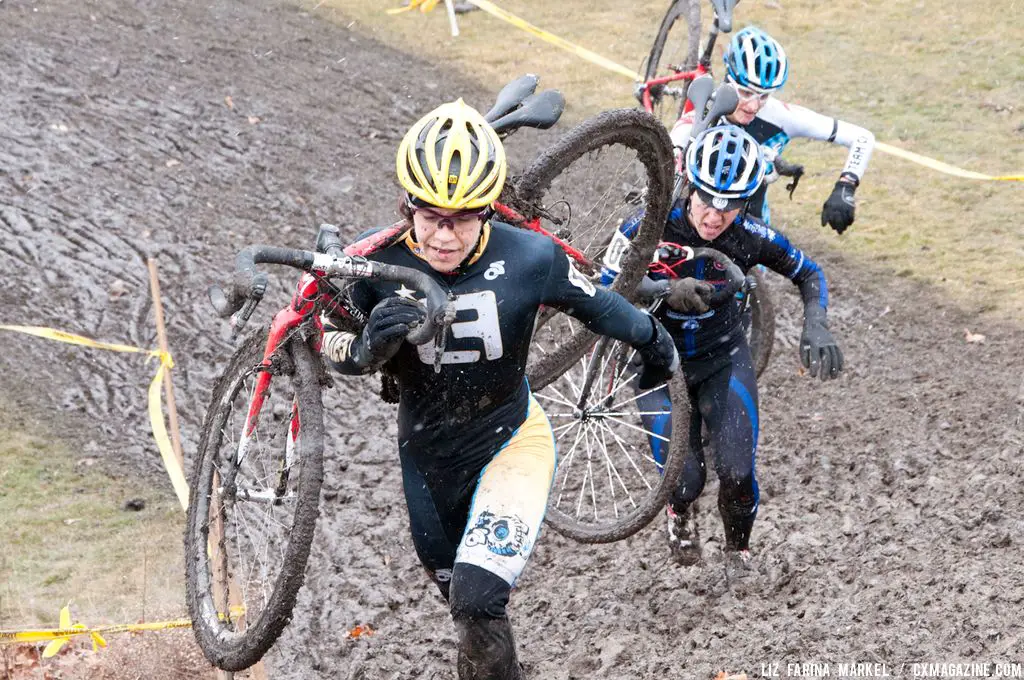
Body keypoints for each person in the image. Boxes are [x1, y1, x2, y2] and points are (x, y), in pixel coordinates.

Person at [321, 99, 678, 679]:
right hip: (427, 460)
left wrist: (653, 340)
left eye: (462, 218)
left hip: (512, 442)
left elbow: (600, 305)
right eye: (430, 215)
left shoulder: (531, 256)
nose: (443, 234)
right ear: (406, 205)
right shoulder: (373, 262)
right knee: (471, 620)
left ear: (488, 212)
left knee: (478, 596)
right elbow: (324, 339)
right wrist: (363, 349)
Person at [604, 124, 843, 575]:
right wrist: (661, 288)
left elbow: (809, 273)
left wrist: (816, 323)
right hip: (658, 363)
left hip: (722, 359)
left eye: (730, 204)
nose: (715, 214)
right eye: (707, 198)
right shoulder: (646, 224)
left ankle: (739, 555)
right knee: (686, 478)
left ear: (746, 201)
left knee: (736, 473)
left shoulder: (752, 235)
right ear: (689, 185)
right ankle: (679, 511)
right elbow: (599, 285)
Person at [670, 26, 875, 233]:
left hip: (750, 228)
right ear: (728, 79)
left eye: (764, 96)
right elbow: (670, 152)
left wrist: (846, 185)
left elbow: (862, 138)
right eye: (745, 92)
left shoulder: (781, 116)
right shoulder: (702, 114)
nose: (753, 106)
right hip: (697, 223)